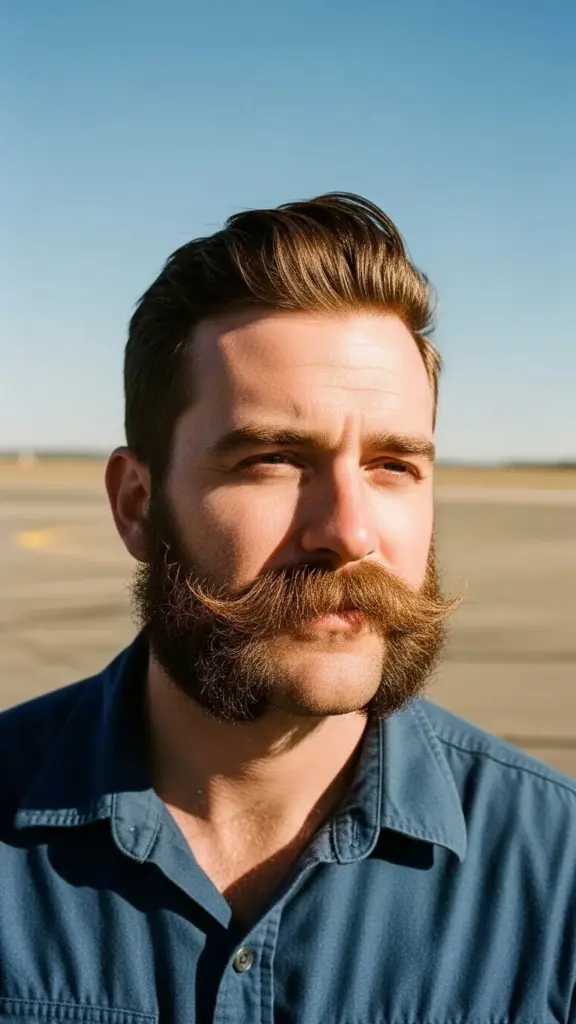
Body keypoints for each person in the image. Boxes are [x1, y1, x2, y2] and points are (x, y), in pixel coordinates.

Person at [1, 193, 575, 1024]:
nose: (348, 532)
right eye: (272, 458)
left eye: (394, 466)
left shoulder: (554, 877)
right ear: (135, 503)